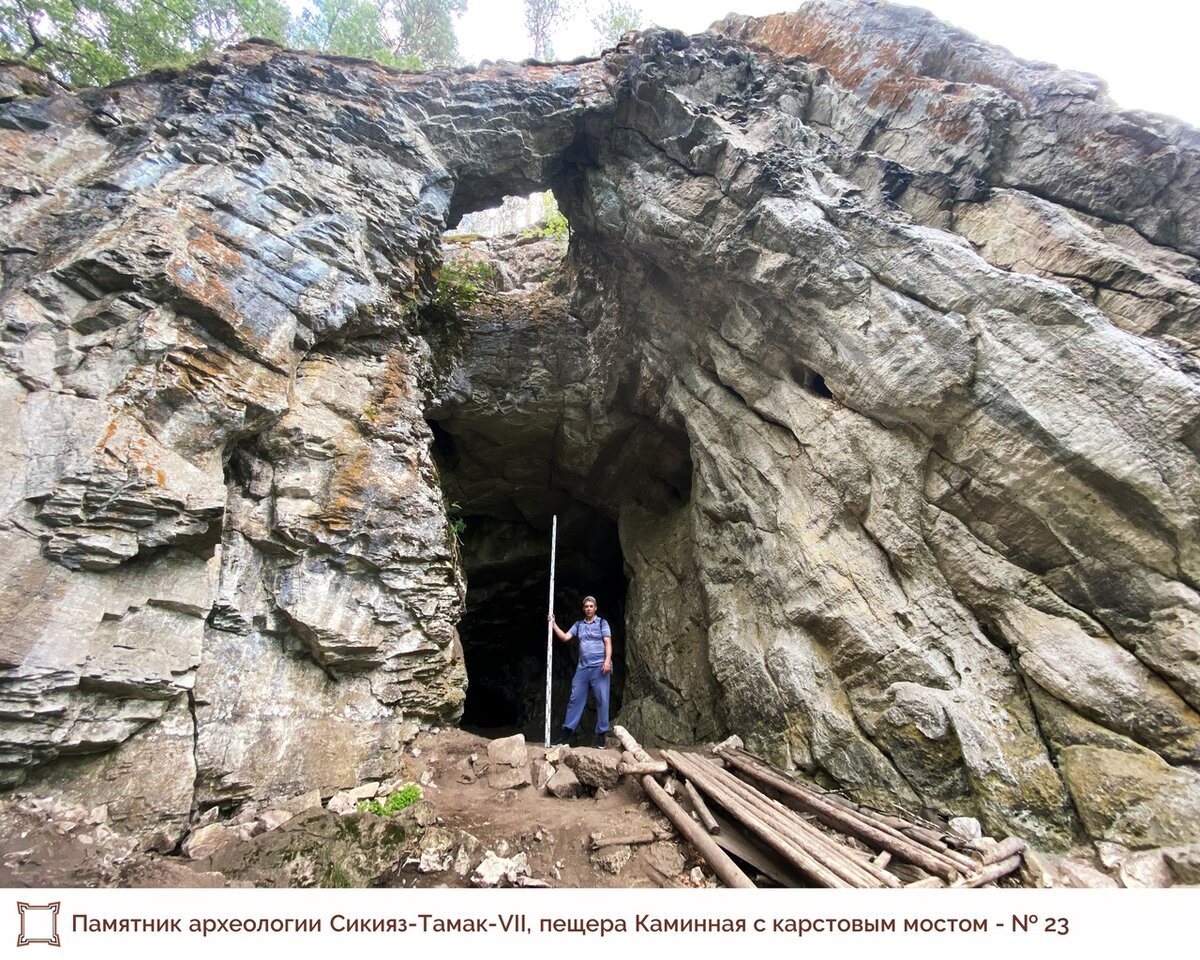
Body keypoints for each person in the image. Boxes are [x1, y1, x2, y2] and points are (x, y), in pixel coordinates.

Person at [548, 596, 612, 748]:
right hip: (583, 668)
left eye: (591, 606)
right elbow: (565, 637)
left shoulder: (602, 623)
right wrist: (553, 624)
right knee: (575, 699)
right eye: (586, 606)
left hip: (599, 667)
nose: (589, 608)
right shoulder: (578, 625)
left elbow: (608, 643)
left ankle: (601, 736)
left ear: (595, 608)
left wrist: (607, 661)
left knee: (602, 699)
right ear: (583, 609)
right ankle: (565, 737)